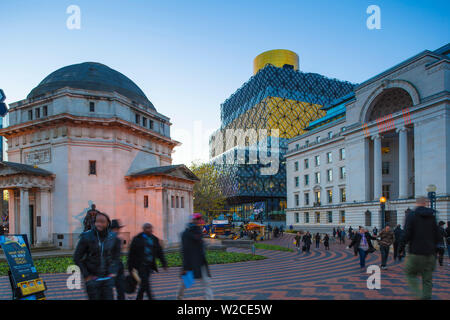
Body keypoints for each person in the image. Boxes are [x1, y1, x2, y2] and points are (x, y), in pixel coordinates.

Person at [74, 212, 121, 300]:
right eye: (97, 221)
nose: (99, 224)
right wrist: (86, 275)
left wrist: (113, 271)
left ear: (108, 223)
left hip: (107, 279)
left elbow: (116, 256)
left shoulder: (113, 237)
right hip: (92, 279)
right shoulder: (86, 237)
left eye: (102, 222)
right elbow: (77, 257)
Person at [404, 197, 440, 300]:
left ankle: (418, 294)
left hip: (415, 253)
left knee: (410, 273)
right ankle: (426, 297)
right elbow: (437, 235)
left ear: (417, 203)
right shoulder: (432, 216)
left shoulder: (411, 215)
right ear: (426, 203)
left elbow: (407, 234)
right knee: (427, 279)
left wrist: (401, 248)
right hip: (430, 253)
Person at [177, 213, 213, 300]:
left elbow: (200, 245)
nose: (198, 221)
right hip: (191, 263)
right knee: (185, 283)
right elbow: (185, 250)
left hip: (201, 262)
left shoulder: (198, 231)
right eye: (197, 219)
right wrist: (185, 267)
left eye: (199, 219)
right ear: (193, 220)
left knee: (207, 283)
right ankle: (179, 298)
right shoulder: (186, 234)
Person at [128, 223, 168, 300]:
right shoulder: (137, 239)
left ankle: (138, 298)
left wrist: (164, 263)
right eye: (147, 228)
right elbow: (131, 254)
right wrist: (130, 268)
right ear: (143, 229)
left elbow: (159, 252)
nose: (148, 229)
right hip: (140, 266)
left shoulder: (154, 239)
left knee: (143, 285)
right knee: (146, 283)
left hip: (149, 266)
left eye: (150, 228)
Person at [110, 219, 125, 300]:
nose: (119, 230)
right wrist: (114, 271)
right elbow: (116, 256)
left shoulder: (106, 238)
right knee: (120, 291)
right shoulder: (116, 239)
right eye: (118, 229)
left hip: (111, 268)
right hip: (115, 269)